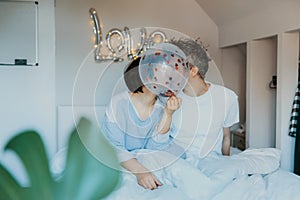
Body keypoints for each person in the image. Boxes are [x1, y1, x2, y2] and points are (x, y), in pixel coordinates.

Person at [101, 57, 182, 190]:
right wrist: (141, 172)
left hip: (150, 158)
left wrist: (168, 114)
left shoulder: (162, 107)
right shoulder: (118, 103)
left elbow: (156, 147)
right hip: (125, 162)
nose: (169, 81)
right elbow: (114, 147)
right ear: (144, 78)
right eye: (162, 74)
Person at [168, 38, 239, 159]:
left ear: (193, 70)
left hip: (211, 163)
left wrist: (226, 163)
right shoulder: (168, 98)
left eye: (175, 67)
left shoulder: (227, 97)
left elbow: (226, 137)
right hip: (177, 163)